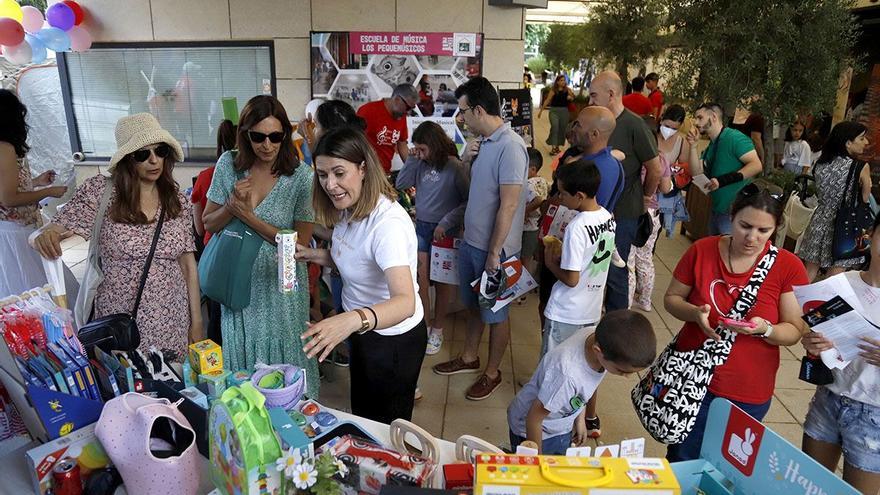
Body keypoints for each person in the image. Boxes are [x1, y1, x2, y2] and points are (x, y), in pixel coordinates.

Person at [32, 113, 202, 358]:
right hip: (120, 320)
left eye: (160, 151)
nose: (154, 161)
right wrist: (46, 235)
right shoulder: (101, 192)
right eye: (142, 154)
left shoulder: (176, 200)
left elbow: (188, 265)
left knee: (170, 386)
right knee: (127, 388)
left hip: (171, 317)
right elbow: (59, 226)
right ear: (126, 159)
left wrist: (196, 322)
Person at [663, 182, 809, 461]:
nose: (752, 237)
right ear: (731, 217)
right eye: (745, 226)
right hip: (691, 378)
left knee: (729, 468)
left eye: (763, 231)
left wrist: (764, 328)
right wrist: (695, 313)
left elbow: (793, 330)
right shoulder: (703, 249)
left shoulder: (788, 266)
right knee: (682, 458)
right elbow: (671, 299)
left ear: (775, 229)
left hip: (748, 387)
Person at [295, 127, 426, 424]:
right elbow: (355, 257)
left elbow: (405, 302)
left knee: (384, 426)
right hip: (364, 330)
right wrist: (313, 254)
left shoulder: (387, 224)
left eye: (339, 173)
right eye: (323, 175)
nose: (331, 184)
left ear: (363, 168)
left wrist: (349, 320)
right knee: (364, 412)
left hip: (393, 339)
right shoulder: (349, 207)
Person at [202, 96, 317, 395]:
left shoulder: (301, 177)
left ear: (285, 135)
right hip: (238, 283)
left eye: (276, 137)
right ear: (246, 134)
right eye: (258, 137)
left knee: (287, 356)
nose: (267, 145)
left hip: (282, 290)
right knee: (243, 369)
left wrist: (248, 218)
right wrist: (231, 206)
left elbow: (299, 244)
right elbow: (208, 223)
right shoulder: (229, 164)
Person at [432, 77, 529, 401]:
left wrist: (495, 252)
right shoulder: (484, 144)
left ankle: (492, 372)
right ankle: (470, 357)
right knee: (475, 307)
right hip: (472, 244)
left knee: (496, 313)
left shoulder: (511, 146)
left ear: (478, 109)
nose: (461, 119)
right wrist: (468, 158)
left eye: (463, 112)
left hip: (495, 252)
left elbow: (510, 203)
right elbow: (477, 191)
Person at [800, 213, 880, 494]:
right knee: (810, 486)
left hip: (875, 415)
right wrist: (813, 343)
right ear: (871, 235)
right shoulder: (842, 283)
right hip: (829, 397)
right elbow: (815, 336)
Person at [507, 310, 656, 454]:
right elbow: (533, 419)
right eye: (621, 371)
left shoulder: (597, 335)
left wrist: (580, 419)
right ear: (598, 351)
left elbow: (584, 387)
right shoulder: (567, 376)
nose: (626, 376)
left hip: (559, 424)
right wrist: (536, 461)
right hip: (534, 431)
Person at [541, 159, 618, 438]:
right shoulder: (607, 217)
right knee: (585, 366)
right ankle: (584, 419)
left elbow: (571, 279)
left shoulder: (577, 226)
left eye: (562, 193)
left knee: (554, 369)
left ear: (579, 196)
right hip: (591, 307)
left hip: (566, 311)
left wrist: (551, 263)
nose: (559, 198)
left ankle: (550, 427)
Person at [588, 70, 662, 312]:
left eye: (593, 96)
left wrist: (645, 198)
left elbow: (655, 169)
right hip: (594, 210)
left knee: (615, 272)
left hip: (623, 213)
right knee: (594, 268)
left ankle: (616, 326)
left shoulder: (634, 125)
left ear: (611, 95)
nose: (590, 102)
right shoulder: (596, 121)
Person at [395, 121, 469, 355]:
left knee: (443, 282)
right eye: (417, 148)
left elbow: (467, 201)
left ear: (435, 146)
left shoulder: (455, 167)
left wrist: (447, 223)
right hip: (422, 229)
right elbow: (401, 183)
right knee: (421, 282)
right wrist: (413, 158)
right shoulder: (420, 164)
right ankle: (425, 325)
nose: (420, 153)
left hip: (445, 231)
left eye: (423, 149)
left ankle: (438, 328)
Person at [0, 89, 75, 299]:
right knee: (40, 291)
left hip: (16, 229)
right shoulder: (4, 147)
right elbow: (8, 198)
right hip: (15, 233)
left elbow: (7, 187)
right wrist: (49, 192)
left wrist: (37, 182)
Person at [797, 121, 871, 281]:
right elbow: (865, 198)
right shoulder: (860, 167)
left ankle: (796, 303)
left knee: (808, 271)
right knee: (835, 275)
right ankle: (823, 305)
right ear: (848, 143)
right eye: (862, 138)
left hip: (820, 218)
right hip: (845, 223)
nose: (866, 142)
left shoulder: (820, 163)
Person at [190, 119, 237, 345]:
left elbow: (199, 227)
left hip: (214, 257)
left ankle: (216, 368)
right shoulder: (256, 176)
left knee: (217, 316)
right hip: (241, 255)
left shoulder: (205, 176)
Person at [687, 102, 762, 235]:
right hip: (717, 210)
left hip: (734, 213)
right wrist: (692, 146)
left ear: (714, 117)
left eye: (700, 118)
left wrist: (723, 180)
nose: (696, 122)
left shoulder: (734, 138)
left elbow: (756, 165)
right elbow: (696, 173)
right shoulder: (712, 145)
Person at [628, 117, 674, 312]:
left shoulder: (631, 157)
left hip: (631, 211)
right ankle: (645, 300)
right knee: (645, 258)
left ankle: (626, 301)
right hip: (653, 215)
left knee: (628, 259)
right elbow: (665, 188)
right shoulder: (661, 158)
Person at [356, 84, 417, 174]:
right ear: (397, 99)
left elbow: (402, 145)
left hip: (385, 172)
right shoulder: (368, 111)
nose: (408, 112)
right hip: (365, 172)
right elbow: (354, 140)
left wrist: (414, 170)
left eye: (411, 109)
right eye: (407, 107)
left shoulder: (401, 116)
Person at [520, 148, 549, 294]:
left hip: (528, 228)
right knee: (531, 257)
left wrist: (524, 211)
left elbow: (538, 200)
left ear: (532, 169)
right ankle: (532, 284)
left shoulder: (529, 183)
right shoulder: (542, 181)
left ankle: (522, 290)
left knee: (524, 259)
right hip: (537, 226)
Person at [538, 75, 575, 155]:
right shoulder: (553, 90)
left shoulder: (567, 90)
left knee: (562, 129)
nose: (563, 82)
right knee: (555, 127)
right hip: (554, 111)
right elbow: (547, 100)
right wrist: (541, 111)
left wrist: (570, 98)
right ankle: (553, 147)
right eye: (561, 80)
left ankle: (557, 146)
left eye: (564, 80)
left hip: (564, 112)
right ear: (557, 82)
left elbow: (573, 98)